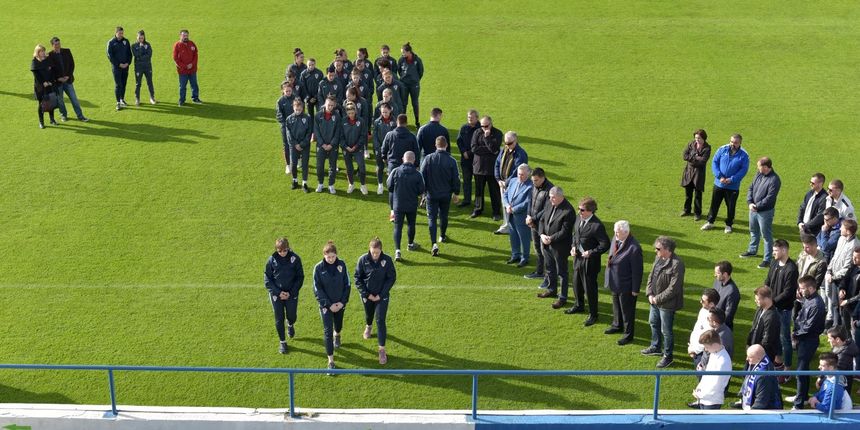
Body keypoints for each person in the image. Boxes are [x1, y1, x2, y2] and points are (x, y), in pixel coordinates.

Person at [642, 236, 685, 368]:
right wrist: (649, 293)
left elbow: (674, 288)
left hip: (667, 304)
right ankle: (655, 347)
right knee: (653, 322)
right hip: (654, 300)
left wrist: (657, 298)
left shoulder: (677, 264)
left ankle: (668, 356)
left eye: (658, 248)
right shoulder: (659, 258)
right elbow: (651, 276)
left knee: (666, 331)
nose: (656, 251)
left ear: (667, 249)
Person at [567, 197, 610, 325]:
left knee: (589, 289)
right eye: (579, 209)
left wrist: (591, 252)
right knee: (576, 284)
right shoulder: (578, 218)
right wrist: (573, 247)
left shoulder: (597, 226)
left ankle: (593, 314)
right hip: (578, 259)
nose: (579, 212)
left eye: (582, 210)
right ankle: (579, 305)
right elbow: (576, 235)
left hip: (589, 263)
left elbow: (605, 244)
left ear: (591, 211)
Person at [354, 237, 396, 365]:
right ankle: (368, 326)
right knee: (369, 315)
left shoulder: (387, 260)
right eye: (373, 252)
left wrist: (381, 294)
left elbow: (391, 278)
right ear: (369, 249)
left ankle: (381, 349)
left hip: (381, 297)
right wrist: (367, 294)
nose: (375, 255)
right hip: (367, 296)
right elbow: (357, 278)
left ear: (381, 250)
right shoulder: (363, 260)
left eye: (377, 252)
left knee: (380, 319)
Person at [787, 275, 826, 409]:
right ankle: (802, 396)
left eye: (803, 288)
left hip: (808, 341)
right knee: (803, 369)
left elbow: (809, 327)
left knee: (800, 371)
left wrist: (794, 335)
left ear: (811, 288)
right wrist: (799, 301)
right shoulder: (809, 299)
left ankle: (798, 404)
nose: (800, 290)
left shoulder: (816, 304)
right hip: (804, 340)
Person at [313, 241, 351, 374]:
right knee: (327, 332)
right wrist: (328, 305)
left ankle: (338, 335)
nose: (331, 259)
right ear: (324, 255)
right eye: (328, 257)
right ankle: (330, 361)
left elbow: (347, 284)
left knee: (338, 326)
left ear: (336, 255)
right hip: (326, 306)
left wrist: (342, 302)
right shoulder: (318, 268)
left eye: (333, 257)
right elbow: (317, 289)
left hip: (340, 304)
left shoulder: (342, 265)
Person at [603, 220, 643, 345]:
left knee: (627, 311)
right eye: (615, 232)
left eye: (618, 232)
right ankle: (617, 325)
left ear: (627, 232)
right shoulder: (616, 238)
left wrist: (635, 289)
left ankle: (628, 334)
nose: (615, 235)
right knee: (616, 306)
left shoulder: (634, 248)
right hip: (615, 281)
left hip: (626, 286)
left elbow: (637, 271)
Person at [420, 137, 461, 256]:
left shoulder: (428, 159)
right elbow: (456, 179)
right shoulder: (451, 160)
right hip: (446, 194)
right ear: (446, 145)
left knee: (432, 218)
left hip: (431, 194)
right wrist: (456, 193)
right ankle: (442, 236)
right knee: (444, 215)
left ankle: (434, 243)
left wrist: (423, 192)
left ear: (435, 145)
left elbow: (422, 177)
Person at [701, 134, 750, 234]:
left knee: (731, 206)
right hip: (719, 184)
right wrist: (720, 176)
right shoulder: (722, 149)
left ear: (740, 143)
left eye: (735, 143)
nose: (733, 144)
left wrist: (732, 179)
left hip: (733, 186)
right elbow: (714, 163)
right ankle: (710, 222)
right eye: (731, 142)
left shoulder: (744, 155)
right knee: (714, 204)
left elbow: (743, 170)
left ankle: (729, 225)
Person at [739, 157, 782, 268]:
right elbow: (751, 188)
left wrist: (757, 206)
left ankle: (767, 259)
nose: (758, 168)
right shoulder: (758, 174)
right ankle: (752, 250)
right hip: (753, 209)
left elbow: (770, 198)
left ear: (766, 167)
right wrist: (750, 202)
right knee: (753, 231)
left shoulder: (775, 180)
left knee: (766, 235)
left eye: (759, 166)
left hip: (765, 212)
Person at [264, 237, 304, 354]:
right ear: (276, 250)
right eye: (279, 251)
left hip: (291, 293)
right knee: (279, 318)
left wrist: (290, 292)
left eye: (284, 250)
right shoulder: (271, 260)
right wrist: (278, 292)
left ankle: (290, 324)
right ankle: (282, 342)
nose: (282, 253)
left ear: (288, 248)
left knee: (292, 315)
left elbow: (300, 277)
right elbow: (267, 279)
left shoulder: (295, 259)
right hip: (277, 295)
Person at [537, 186, 575, 308]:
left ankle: (562, 297)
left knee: (562, 272)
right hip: (546, 243)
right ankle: (551, 289)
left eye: (553, 198)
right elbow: (542, 220)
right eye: (550, 197)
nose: (551, 199)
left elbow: (565, 231)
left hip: (560, 247)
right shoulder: (549, 203)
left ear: (560, 197)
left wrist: (551, 239)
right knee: (549, 268)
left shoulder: (568, 211)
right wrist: (542, 234)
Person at [764, 238, 799, 369]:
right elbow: (767, 281)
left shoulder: (791, 268)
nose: (773, 253)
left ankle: (788, 367)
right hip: (772, 307)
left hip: (783, 310)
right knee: (773, 336)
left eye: (776, 250)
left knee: (785, 339)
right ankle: (778, 359)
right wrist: (764, 295)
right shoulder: (774, 263)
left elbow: (788, 292)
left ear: (784, 250)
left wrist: (771, 302)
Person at [381, 114, 421, 221]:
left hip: (393, 166)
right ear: (406, 123)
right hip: (409, 166)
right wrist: (416, 165)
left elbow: (383, 151)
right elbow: (417, 152)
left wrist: (386, 162)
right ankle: (410, 209)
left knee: (393, 189)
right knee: (410, 188)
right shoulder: (412, 136)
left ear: (397, 122)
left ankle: (393, 213)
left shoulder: (390, 135)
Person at [388, 151, 425, 261]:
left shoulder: (395, 171)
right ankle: (410, 244)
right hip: (411, 204)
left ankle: (397, 251)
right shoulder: (418, 174)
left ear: (403, 159)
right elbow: (421, 190)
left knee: (397, 227)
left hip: (398, 204)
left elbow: (389, 186)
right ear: (413, 160)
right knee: (411, 224)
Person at [825, 219, 860, 327]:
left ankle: (839, 328)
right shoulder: (841, 239)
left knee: (840, 306)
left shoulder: (855, 244)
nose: (840, 228)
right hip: (833, 276)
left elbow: (848, 266)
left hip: (842, 279)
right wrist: (829, 271)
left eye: (842, 227)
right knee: (834, 303)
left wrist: (834, 277)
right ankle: (836, 326)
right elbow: (835, 257)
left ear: (848, 231)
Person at [493, 131, 529, 235]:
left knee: (513, 206)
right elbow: (497, 163)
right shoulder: (503, 150)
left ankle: (513, 226)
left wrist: (506, 182)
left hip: (513, 185)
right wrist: (498, 179)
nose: (507, 145)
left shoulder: (520, 154)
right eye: (506, 143)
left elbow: (517, 171)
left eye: (509, 143)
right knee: (505, 206)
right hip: (502, 183)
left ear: (515, 140)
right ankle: (507, 225)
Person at [47, 37, 88, 121]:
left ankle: (80, 116)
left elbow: (72, 64)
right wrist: (58, 78)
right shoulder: (49, 55)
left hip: (68, 81)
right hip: (58, 83)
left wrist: (68, 76)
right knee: (60, 101)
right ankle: (63, 115)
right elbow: (50, 70)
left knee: (74, 99)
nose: (58, 46)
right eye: (56, 44)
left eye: (59, 44)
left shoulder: (67, 51)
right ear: (52, 45)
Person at [689, 330, 731, 410]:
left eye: (707, 347)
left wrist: (700, 394)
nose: (706, 349)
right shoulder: (715, 353)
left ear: (715, 344)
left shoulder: (723, 361)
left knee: (708, 422)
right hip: (705, 397)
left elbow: (716, 384)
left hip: (712, 401)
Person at [471, 116, 503, 220]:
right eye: (482, 126)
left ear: (491, 123)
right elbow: (474, 149)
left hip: (492, 168)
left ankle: (496, 212)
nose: (484, 128)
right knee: (478, 191)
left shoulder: (497, 133)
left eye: (486, 126)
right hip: (479, 168)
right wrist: (488, 149)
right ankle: (477, 209)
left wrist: (487, 138)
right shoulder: (477, 132)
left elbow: (494, 149)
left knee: (494, 191)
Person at [525, 168, 554, 280]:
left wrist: (533, 218)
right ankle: (539, 271)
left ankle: (548, 274)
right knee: (537, 247)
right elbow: (530, 201)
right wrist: (528, 215)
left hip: (543, 225)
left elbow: (547, 209)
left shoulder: (550, 189)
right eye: (532, 180)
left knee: (544, 250)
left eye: (536, 180)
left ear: (542, 178)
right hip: (533, 222)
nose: (534, 182)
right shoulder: (534, 186)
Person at [503, 164, 534, 267]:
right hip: (510, 214)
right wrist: (507, 205)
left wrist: (513, 209)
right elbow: (505, 195)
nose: (520, 176)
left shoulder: (530, 186)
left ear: (528, 174)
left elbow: (527, 203)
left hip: (521, 216)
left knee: (523, 237)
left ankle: (525, 258)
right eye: (519, 174)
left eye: (522, 175)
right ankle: (515, 254)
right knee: (513, 235)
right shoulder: (513, 181)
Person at [737, 344, 783, 410]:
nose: (747, 359)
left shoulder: (763, 376)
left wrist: (748, 416)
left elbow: (761, 402)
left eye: (749, 357)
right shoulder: (761, 360)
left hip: (768, 413)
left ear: (758, 358)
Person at [747, 286, 783, 367]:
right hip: (755, 350)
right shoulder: (760, 309)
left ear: (767, 299)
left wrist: (755, 352)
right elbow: (754, 327)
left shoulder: (772, 317)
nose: (755, 301)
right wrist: (749, 343)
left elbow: (767, 340)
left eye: (758, 299)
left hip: (762, 355)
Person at [680, 129, 711, 220]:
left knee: (698, 195)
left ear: (703, 138)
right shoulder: (691, 144)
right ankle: (687, 210)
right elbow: (684, 156)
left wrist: (692, 158)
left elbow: (703, 161)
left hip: (698, 174)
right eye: (696, 137)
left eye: (699, 138)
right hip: (689, 172)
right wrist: (696, 157)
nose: (697, 140)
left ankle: (697, 213)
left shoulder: (707, 148)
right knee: (688, 193)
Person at [314, 96, 343, 194]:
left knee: (332, 166)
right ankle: (320, 183)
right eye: (328, 105)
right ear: (325, 104)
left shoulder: (337, 116)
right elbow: (316, 131)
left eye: (332, 105)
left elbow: (338, 132)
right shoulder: (318, 115)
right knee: (319, 166)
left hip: (333, 146)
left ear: (334, 105)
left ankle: (331, 185)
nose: (330, 107)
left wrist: (332, 144)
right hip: (321, 145)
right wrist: (322, 144)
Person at [284, 98, 312, 192]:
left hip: (305, 145)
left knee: (304, 164)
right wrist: (296, 144)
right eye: (296, 109)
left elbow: (309, 132)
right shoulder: (289, 119)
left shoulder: (307, 118)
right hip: (293, 145)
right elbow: (288, 134)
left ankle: (304, 183)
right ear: (293, 108)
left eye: (299, 109)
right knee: (293, 163)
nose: (298, 111)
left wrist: (302, 144)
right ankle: (295, 181)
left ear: (302, 108)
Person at [340, 102, 369, 195]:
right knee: (349, 168)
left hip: (358, 148)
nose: (351, 115)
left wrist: (356, 146)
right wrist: (346, 147)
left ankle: (363, 185)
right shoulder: (343, 121)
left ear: (355, 111)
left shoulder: (361, 121)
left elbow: (363, 135)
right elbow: (340, 136)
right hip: (346, 149)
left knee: (362, 167)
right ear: (346, 113)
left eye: (352, 113)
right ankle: (351, 184)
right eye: (349, 113)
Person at [688, 288, 720, 368]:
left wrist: (694, 351)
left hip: (701, 354)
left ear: (711, 304)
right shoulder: (703, 310)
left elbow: (707, 339)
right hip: (694, 349)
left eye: (703, 301)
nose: (700, 302)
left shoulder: (712, 320)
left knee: (702, 376)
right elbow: (697, 329)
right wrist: (691, 345)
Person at [456, 110, 481, 208]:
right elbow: (459, 141)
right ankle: (467, 200)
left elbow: (481, 144)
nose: (469, 119)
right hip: (465, 160)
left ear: (477, 118)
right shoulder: (464, 128)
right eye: (468, 117)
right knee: (466, 181)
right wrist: (463, 152)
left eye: (471, 117)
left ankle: (478, 202)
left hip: (477, 160)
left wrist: (469, 153)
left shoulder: (480, 128)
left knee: (479, 182)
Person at [373, 103, 398, 195]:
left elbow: (396, 137)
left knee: (391, 168)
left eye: (386, 112)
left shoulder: (395, 121)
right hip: (379, 149)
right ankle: (380, 185)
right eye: (383, 112)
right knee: (380, 167)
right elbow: (375, 137)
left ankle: (391, 185)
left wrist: (391, 149)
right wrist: (378, 148)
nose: (384, 114)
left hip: (391, 150)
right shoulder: (376, 122)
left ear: (390, 110)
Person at [31, 44, 57, 129]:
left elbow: (53, 71)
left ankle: (52, 119)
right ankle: (41, 122)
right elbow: (36, 75)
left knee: (51, 103)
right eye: (41, 51)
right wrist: (44, 82)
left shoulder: (48, 59)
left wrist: (50, 81)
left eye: (43, 51)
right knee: (41, 104)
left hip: (49, 85)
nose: (42, 52)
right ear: (37, 52)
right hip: (40, 87)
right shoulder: (34, 61)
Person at [826, 326, 858, 395]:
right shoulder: (838, 347)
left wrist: (821, 380)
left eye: (829, 338)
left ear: (837, 339)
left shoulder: (844, 354)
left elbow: (836, 371)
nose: (828, 340)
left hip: (840, 388)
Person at [106, 26, 132, 110]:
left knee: (124, 84)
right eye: (119, 33)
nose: (121, 35)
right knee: (118, 85)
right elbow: (110, 56)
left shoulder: (126, 41)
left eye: (122, 33)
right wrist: (119, 64)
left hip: (125, 67)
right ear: (116, 33)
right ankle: (118, 102)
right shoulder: (111, 42)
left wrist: (128, 63)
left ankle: (122, 99)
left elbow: (129, 54)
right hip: (117, 68)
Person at [172, 29, 200, 106]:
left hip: (192, 69)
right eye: (184, 35)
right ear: (180, 36)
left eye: (187, 35)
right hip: (182, 71)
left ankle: (195, 98)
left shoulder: (192, 44)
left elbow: (196, 55)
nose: (185, 37)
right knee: (182, 86)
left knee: (194, 84)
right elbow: (175, 59)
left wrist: (192, 64)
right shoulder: (177, 45)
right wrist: (185, 66)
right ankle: (182, 100)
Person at [397, 42, 423, 125]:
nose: (402, 54)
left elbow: (421, 71)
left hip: (414, 85)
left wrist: (415, 79)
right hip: (404, 84)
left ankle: (417, 121)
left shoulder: (417, 60)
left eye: (403, 52)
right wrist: (403, 78)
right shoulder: (401, 60)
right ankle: (403, 122)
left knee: (415, 103)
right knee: (404, 103)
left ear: (409, 52)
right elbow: (399, 70)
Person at [276, 82, 299, 174]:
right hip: (285, 126)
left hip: (296, 125)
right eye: (287, 91)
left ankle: (299, 159)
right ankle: (288, 165)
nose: (288, 92)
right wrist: (286, 124)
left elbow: (300, 110)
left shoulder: (296, 99)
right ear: (283, 91)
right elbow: (279, 115)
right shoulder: (280, 101)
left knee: (297, 142)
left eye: (290, 91)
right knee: (286, 144)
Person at [712, 261, 740, 330]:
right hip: (712, 321)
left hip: (721, 328)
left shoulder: (732, 292)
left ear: (725, 274)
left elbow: (728, 316)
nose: (715, 275)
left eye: (717, 273)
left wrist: (716, 326)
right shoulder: (717, 281)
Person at [130, 30, 156, 106]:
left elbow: (149, 55)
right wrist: (141, 48)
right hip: (138, 68)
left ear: (144, 37)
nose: (141, 39)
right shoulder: (134, 46)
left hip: (148, 67)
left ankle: (152, 98)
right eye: (139, 38)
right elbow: (136, 55)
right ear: (137, 37)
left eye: (142, 38)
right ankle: (137, 99)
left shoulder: (148, 45)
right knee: (138, 84)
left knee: (150, 82)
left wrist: (141, 57)